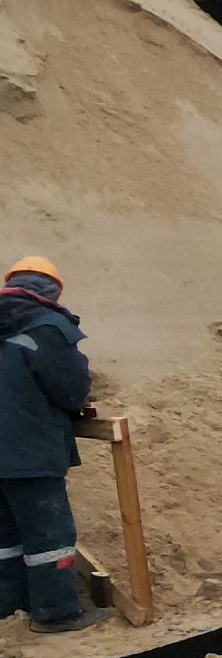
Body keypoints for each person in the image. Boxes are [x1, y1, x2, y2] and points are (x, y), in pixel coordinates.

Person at [0, 256, 113, 634]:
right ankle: (56, 613)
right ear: (53, 290)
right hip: (29, 450)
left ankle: (10, 609)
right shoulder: (48, 325)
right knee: (49, 534)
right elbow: (69, 387)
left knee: (5, 536)